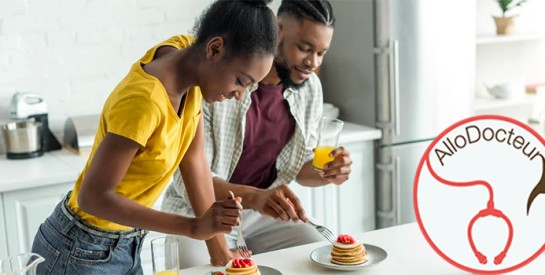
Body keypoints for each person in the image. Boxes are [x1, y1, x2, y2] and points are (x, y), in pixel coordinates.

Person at [30, 0, 278, 274]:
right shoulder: (145, 102)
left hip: (125, 245)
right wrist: (192, 228)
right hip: (80, 250)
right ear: (215, 48)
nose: (239, 95)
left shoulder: (187, 59)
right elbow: (93, 197)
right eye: (241, 81)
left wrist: (219, 251)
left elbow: (193, 160)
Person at [162, 0, 352, 268]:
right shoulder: (216, 81)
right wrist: (253, 197)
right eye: (305, 48)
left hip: (260, 211)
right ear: (278, 30)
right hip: (199, 209)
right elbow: (187, 181)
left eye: (322, 52)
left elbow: (299, 169)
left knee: (315, 255)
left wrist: (327, 171)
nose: (313, 62)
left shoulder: (310, 89)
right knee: (209, 270)